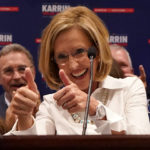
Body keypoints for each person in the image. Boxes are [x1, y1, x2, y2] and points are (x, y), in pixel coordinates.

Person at [7, 6, 150, 135]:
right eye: (62, 57)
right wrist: (24, 117)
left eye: (79, 52)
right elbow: (33, 145)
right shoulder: (52, 105)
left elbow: (141, 138)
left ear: (98, 51)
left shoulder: (129, 88)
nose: (73, 65)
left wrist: (96, 109)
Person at [0, 43, 40, 132]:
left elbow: (78, 122)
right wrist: (8, 129)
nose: (17, 76)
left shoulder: (49, 106)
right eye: (8, 71)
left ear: (33, 72)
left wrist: (78, 113)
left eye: (22, 69)